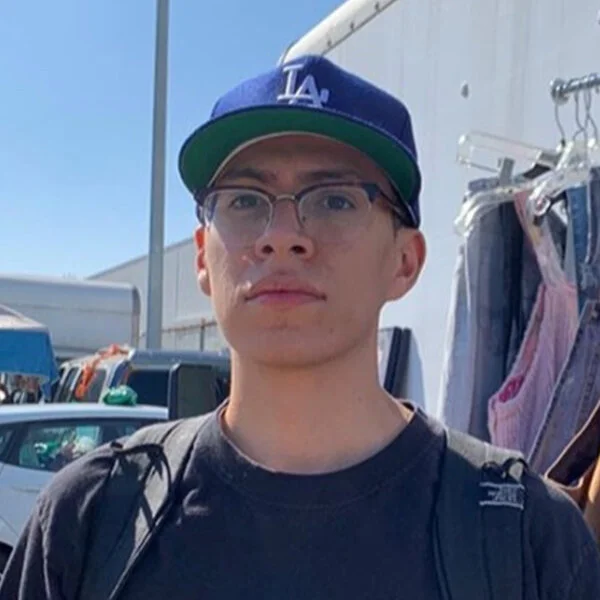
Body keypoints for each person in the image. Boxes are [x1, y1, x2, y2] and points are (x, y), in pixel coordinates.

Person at [1, 55, 599, 599]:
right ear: (203, 257)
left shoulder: (527, 540)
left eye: (335, 199)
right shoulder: (89, 521)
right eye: (244, 199)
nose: (282, 235)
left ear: (405, 261)